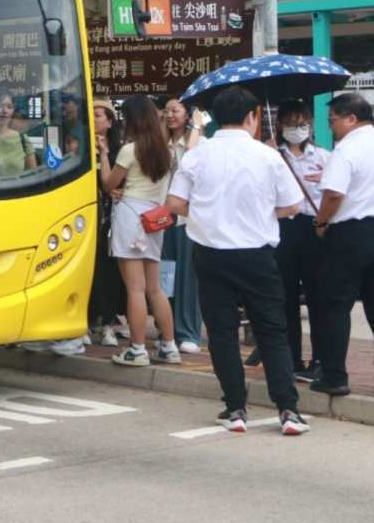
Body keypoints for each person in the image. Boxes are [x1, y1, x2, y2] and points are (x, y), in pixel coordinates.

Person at [165, 85, 308, 435]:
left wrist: (208, 213)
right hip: (258, 255)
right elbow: (292, 206)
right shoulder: (268, 156)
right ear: (251, 117)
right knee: (272, 331)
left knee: (222, 332)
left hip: (211, 254)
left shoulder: (198, 155)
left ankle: (235, 408)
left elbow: (174, 203)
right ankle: (288, 410)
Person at [101, 96, 179, 367]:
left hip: (130, 217)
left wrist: (102, 155)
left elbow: (109, 183)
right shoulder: (165, 151)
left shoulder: (129, 150)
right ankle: (169, 346)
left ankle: (137, 349)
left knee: (135, 289)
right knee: (155, 288)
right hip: (154, 219)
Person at [308, 92, 374, 398]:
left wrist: (321, 223)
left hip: (349, 234)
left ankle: (334, 376)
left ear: (351, 118)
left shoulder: (346, 149)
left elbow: (334, 195)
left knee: (335, 305)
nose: (331, 126)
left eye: (333, 120)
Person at [274, 99, 329, 380]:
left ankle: (320, 358)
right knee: (285, 297)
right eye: (292, 123)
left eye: (303, 123)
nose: (298, 129)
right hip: (283, 226)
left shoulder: (323, 156)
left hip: (314, 228)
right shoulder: (272, 155)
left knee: (318, 296)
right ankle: (291, 358)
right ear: (280, 124)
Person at [163, 98, 206, 353]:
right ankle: (165, 329)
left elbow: (191, 166)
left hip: (187, 217)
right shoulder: (158, 143)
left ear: (188, 115)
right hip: (160, 216)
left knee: (189, 276)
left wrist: (197, 130)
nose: (170, 115)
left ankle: (188, 331)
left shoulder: (202, 143)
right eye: (166, 111)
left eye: (175, 110)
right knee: (165, 274)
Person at [89, 100, 127, 346]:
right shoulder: (78, 145)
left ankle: (108, 322)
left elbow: (117, 185)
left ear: (110, 121)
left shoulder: (118, 150)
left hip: (110, 219)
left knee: (108, 271)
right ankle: (88, 320)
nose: (94, 119)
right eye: (91, 114)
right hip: (85, 218)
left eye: (99, 115)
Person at [0, 93, 37, 176]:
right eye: (0, 106)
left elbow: (34, 176)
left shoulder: (23, 139)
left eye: (9, 107)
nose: (5, 111)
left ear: (13, 111)